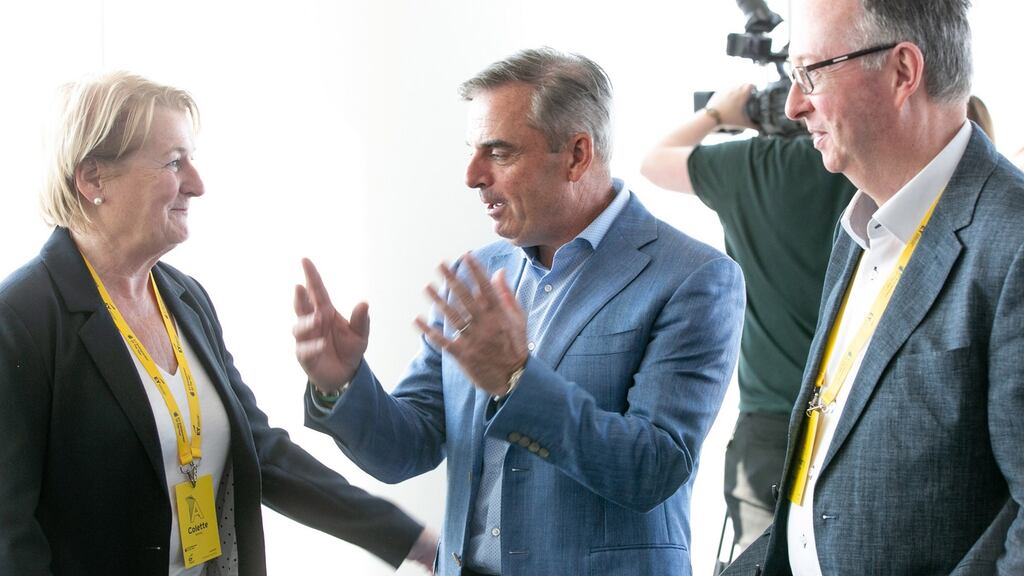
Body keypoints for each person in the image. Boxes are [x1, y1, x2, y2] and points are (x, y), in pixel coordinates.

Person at [294, 47, 745, 576]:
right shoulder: (476, 275)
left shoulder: (693, 277)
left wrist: (516, 380)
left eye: (499, 152)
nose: (471, 175)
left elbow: (652, 468)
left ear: (577, 155)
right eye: (472, 150)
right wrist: (343, 384)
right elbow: (405, 450)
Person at [0, 71, 436, 575]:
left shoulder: (184, 297)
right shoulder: (21, 320)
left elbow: (261, 451)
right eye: (173, 163)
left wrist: (410, 538)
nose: (198, 184)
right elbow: (9, 539)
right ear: (94, 178)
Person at [722, 0, 1024, 574]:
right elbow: (820, 491)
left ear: (903, 72)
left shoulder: (1013, 243)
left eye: (811, 72)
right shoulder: (861, 229)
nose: (792, 105)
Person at [640, 84, 856, 558]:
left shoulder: (746, 167)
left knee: (758, 559)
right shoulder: (862, 166)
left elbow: (654, 161)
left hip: (767, 423)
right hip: (854, 415)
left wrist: (720, 112)